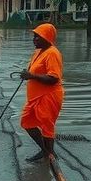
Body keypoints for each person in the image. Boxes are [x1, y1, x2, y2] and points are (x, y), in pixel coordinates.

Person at [19, 23, 64, 162]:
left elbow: (53, 78)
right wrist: (27, 74)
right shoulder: (38, 52)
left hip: (48, 96)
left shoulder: (52, 53)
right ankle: (45, 151)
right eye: (34, 36)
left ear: (47, 38)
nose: (34, 39)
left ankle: (49, 153)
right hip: (35, 97)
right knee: (26, 122)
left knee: (46, 126)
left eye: (38, 37)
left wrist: (32, 76)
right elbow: (34, 70)